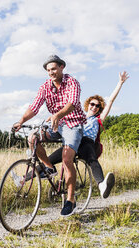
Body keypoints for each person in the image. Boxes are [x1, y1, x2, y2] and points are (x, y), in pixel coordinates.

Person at [13, 54, 86, 216]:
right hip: (55, 124)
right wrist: (21, 120)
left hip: (73, 124)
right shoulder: (45, 86)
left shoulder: (72, 82)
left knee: (67, 159)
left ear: (61, 67)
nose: (51, 72)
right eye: (48, 70)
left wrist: (58, 115)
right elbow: (35, 106)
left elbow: (72, 104)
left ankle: (71, 200)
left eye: (53, 69)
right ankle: (49, 167)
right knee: (32, 138)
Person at [48, 71, 130, 199]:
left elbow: (111, 101)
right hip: (73, 142)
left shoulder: (98, 119)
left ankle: (102, 185)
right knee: (48, 160)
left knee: (91, 159)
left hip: (87, 143)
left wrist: (120, 83)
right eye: (92, 104)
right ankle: (24, 179)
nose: (95, 107)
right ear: (88, 105)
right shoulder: (78, 116)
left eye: (98, 106)